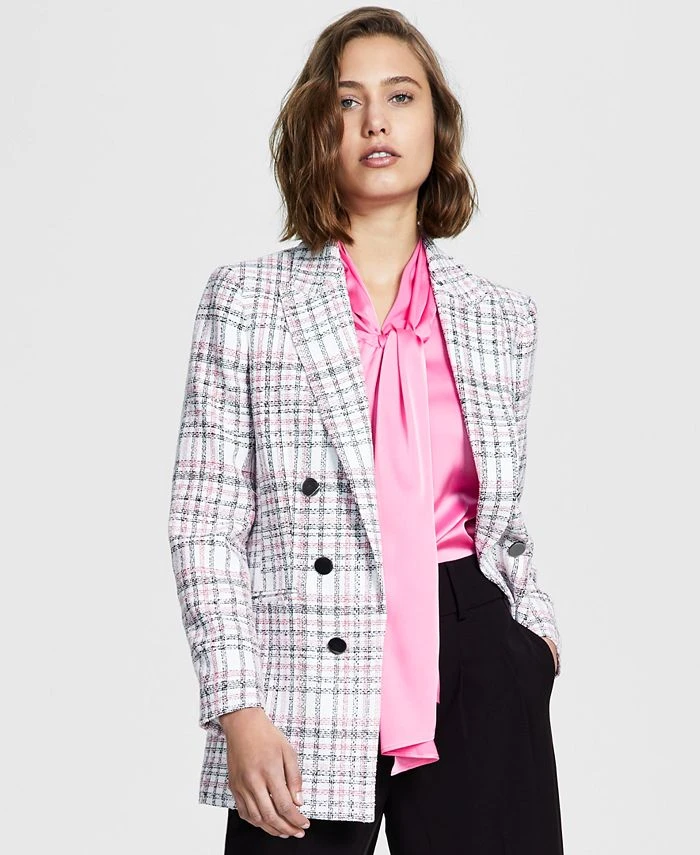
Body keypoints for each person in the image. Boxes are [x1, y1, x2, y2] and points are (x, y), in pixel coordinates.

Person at [168, 6, 564, 853]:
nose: (376, 120)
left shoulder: (500, 317)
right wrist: (238, 705)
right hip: (306, 669)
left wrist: (533, 641)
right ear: (319, 129)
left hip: (471, 652)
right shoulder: (247, 301)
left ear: (437, 125)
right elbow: (205, 525)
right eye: (348, 101)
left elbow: (499, 517)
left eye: (401, 96)